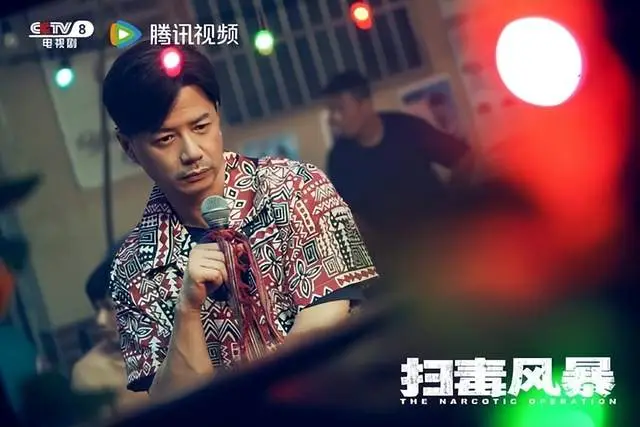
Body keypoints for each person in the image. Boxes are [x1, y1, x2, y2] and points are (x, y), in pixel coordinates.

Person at [103, 42, 377, 401]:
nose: (191, 152)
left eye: (201, 126)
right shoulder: (133, 267)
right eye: (165, 139)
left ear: (217, 114)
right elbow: (175, 403)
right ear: (128, 147)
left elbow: (327, 317)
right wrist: (187, 309)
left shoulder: (297, 187)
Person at [323, 71, 472, 233]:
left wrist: (452, 201)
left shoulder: (406, 127)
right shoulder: (339, 159)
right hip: (395, 245)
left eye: (339, 109)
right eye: (330, 111)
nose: (332, 119)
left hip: (443, 233)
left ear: (365, 106)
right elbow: (350, 216)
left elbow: (464, 157)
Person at [71, 242, 148, 415]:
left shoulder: (189, 343)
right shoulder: (89, 372)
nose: (100, 321)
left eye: (109, 307)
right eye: (97, 309)